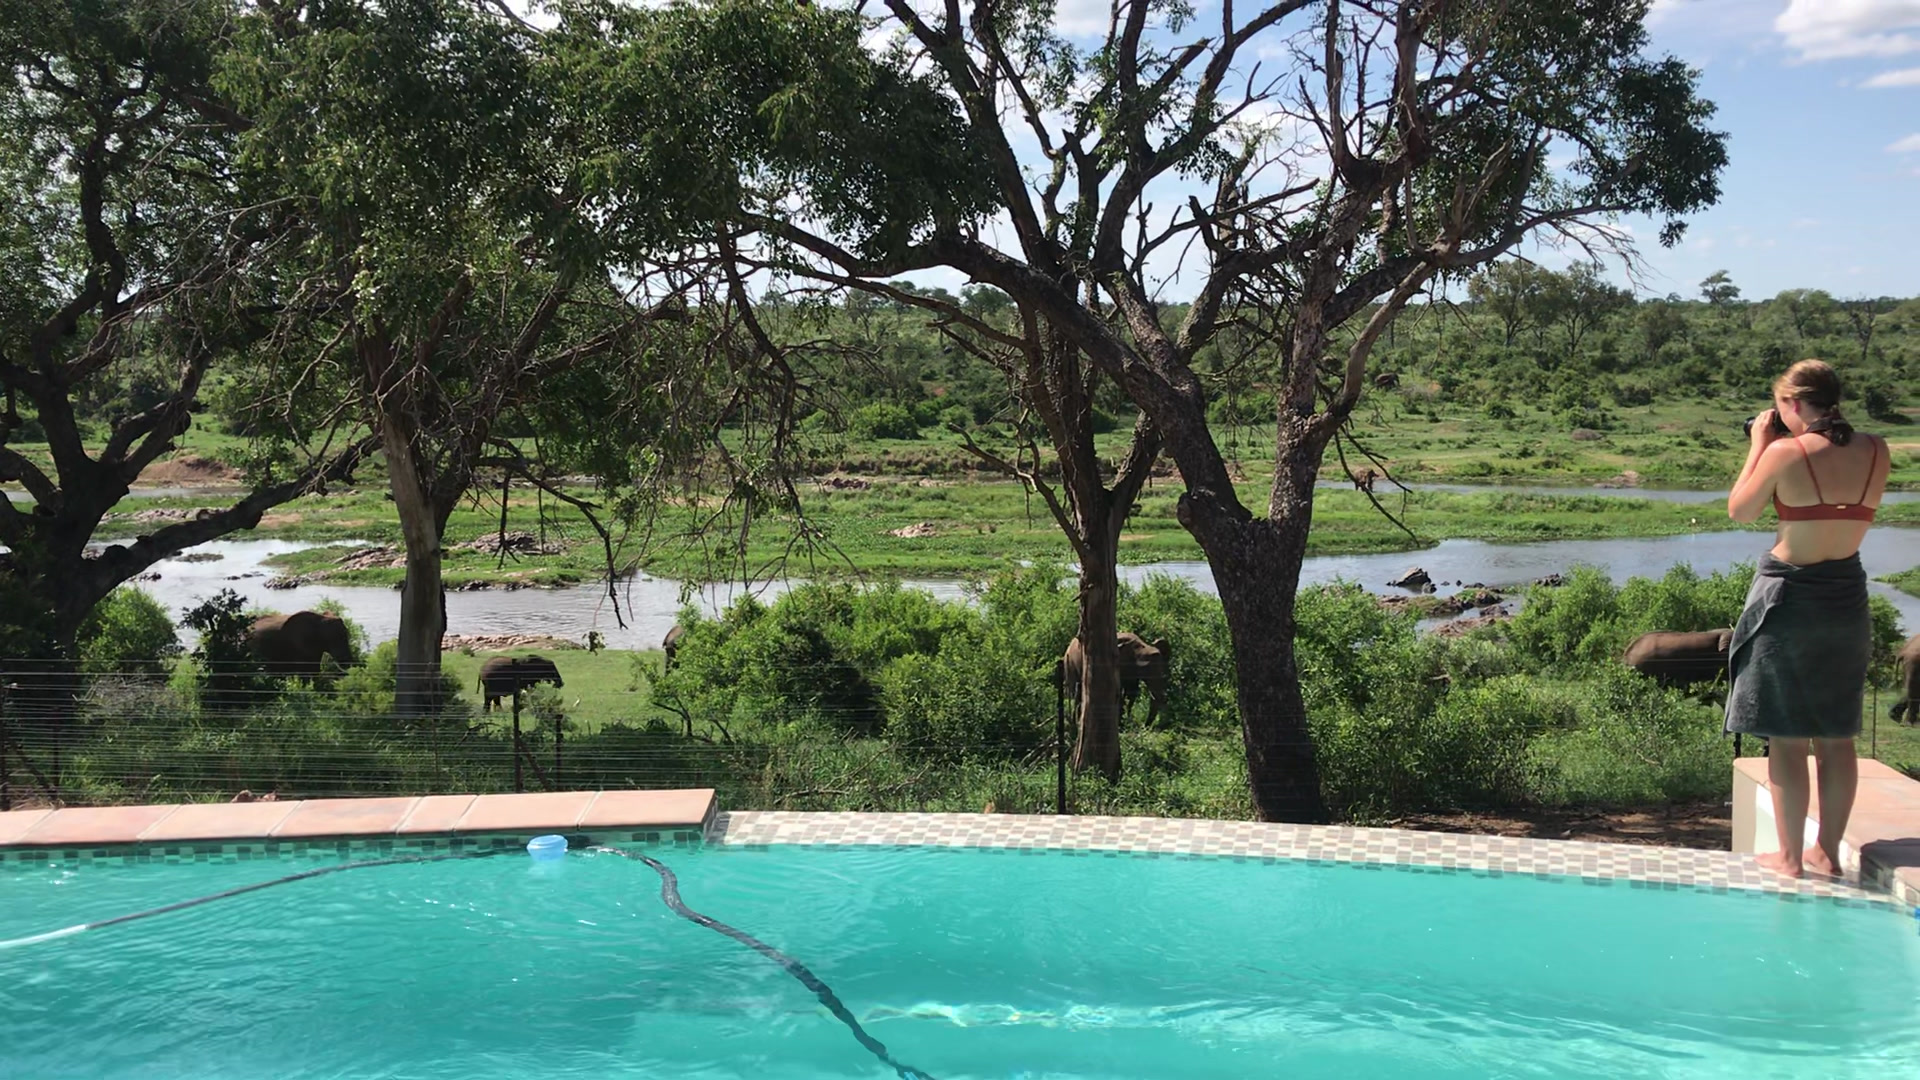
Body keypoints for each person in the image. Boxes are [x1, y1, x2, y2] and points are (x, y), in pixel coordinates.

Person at [1725, 359, 1889, 879]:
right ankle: (1828, 851)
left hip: (1790, 598)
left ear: (1792, 403)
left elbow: (1741, 511)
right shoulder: (1877, 450)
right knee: (1837, 736)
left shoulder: (1784, 451)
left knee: (1788, 737)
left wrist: (1758, 443)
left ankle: (1792, 857)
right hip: (1846, 597)